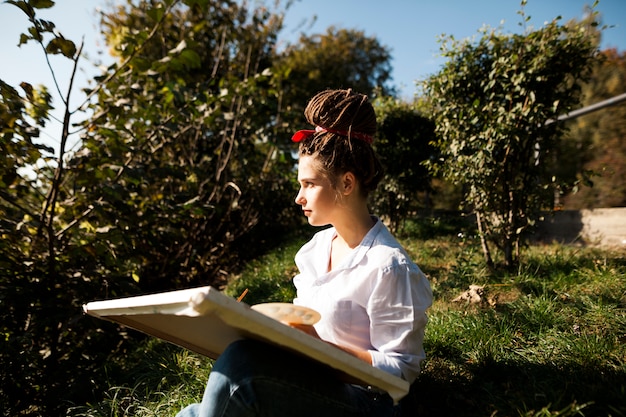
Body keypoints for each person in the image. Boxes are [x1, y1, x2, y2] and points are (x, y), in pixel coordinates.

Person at [176, 89, 432, 417]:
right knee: (228, 373)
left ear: (346, 184)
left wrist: (321, 349)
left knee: (240, 374)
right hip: (313, 380)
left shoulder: (388, 267)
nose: (299, 197)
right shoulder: (314, 251)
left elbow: (401, 373)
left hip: (368, 402)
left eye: (309, 184)